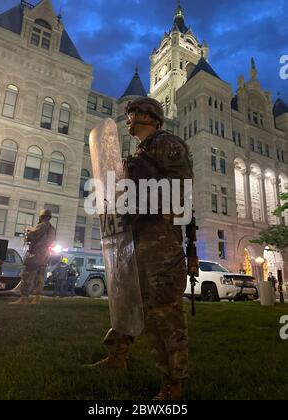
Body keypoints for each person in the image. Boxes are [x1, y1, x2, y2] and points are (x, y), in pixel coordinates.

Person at [89, 97, 193, 400]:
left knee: (163, 311)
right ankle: (117, 356)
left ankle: (174, 381)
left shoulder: (168, 145)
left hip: (160, 242)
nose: (128, 118)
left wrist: (137, 202)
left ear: (150, 116)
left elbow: (180, 190)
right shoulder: (140, 152)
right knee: (128, 301)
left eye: (132, 113)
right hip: (133, 238)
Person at [10, 209, 56, 305]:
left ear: (41, 216)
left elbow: (31, 237)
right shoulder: (52, 229)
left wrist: (28, 231)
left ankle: (23, 298)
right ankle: (37, 299)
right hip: (45, 256)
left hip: (35, 255)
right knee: (40, 277)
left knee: (27, 276)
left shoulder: (41, 225)